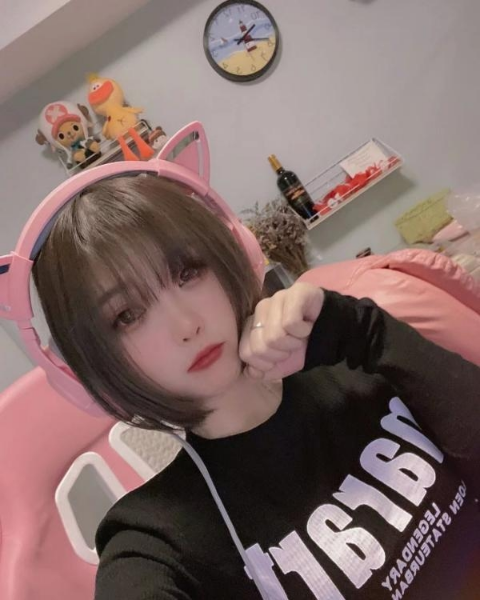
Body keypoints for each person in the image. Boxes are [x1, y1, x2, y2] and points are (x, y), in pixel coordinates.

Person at [2, 124, 479, 600]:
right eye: (127, 315)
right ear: (94, 370)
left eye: (187, 271)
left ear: (235, 254)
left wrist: (360, 329)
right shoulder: (152, 543)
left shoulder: (358, 359)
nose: (185, 324)